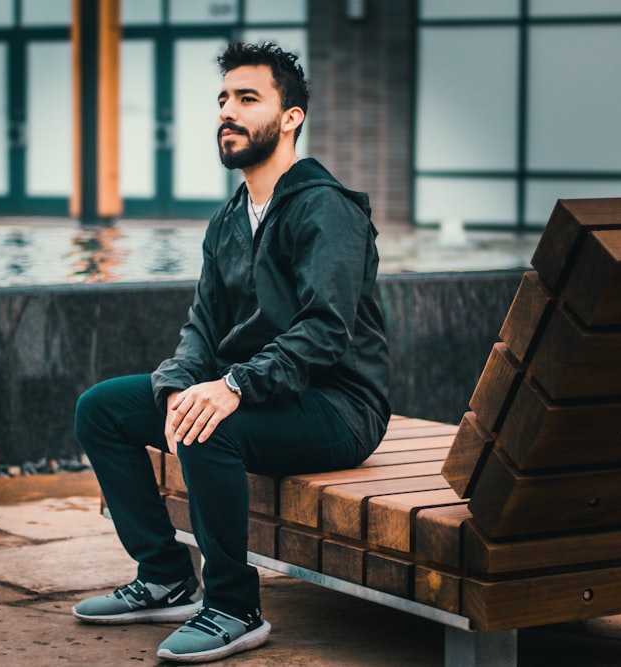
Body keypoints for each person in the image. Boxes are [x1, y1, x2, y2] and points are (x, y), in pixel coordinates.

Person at [72, 41, 390, 663]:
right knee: (101, 410)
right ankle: (166, 576)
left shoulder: (327, 210)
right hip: (260, 389)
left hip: (337, 406)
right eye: (223, 99)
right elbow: (201, 327)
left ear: (290, 117)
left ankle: (234, 608)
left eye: (248, 99)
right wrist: (177, 388)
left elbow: (325, 330)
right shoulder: (228, 220)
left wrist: (233, 386)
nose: (229, 112)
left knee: (207, 428)